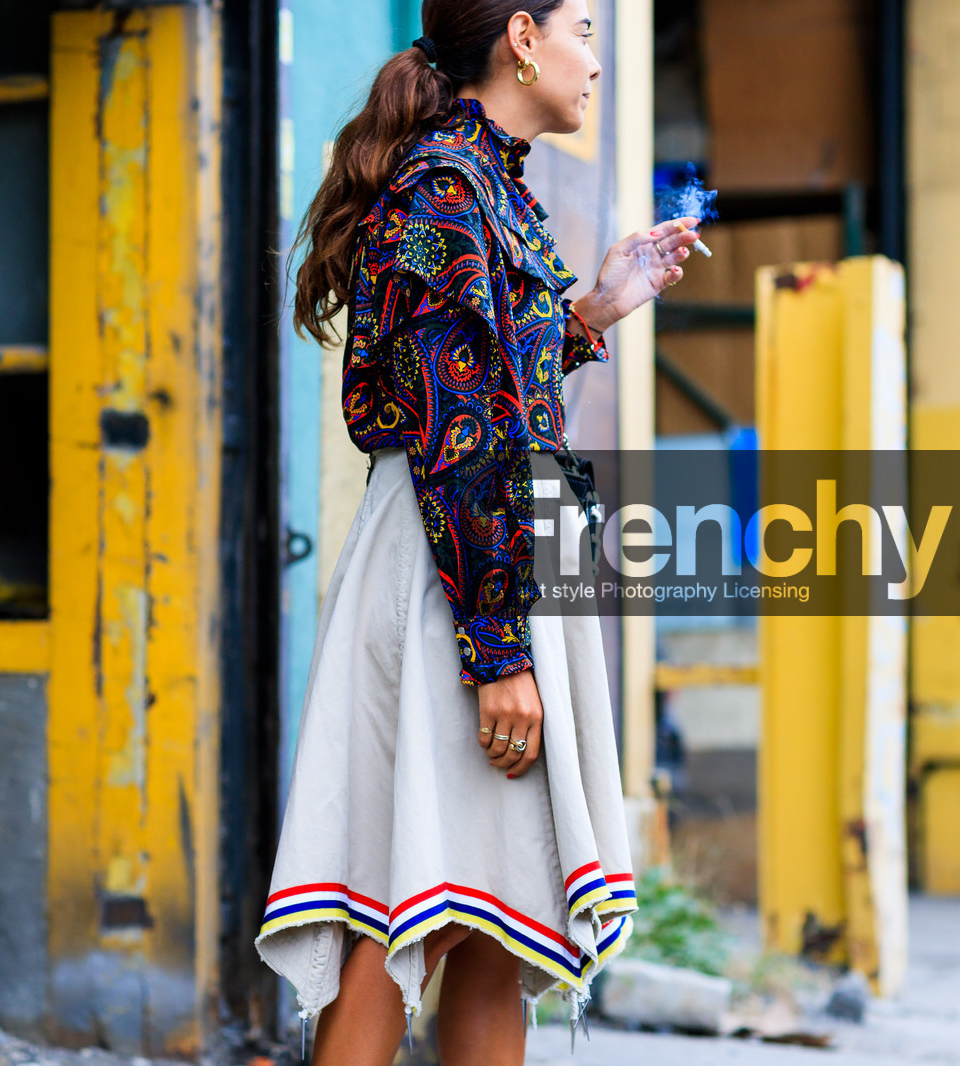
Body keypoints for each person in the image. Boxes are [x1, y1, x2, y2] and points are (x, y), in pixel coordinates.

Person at [255, 1, 699, 1062]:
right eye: (583, 31)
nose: (596, 60)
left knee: (498, 912)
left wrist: (594, 311)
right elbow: (457, 440)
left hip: (490, 561)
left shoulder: (488, 185)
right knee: (414, 909)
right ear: (522, 39)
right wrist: (496, 654)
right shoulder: (445, 192)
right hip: (456, 575)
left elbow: (497, 392)